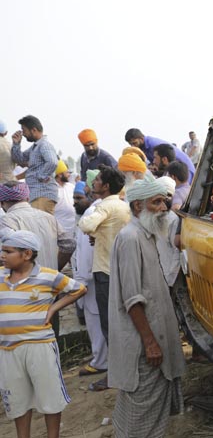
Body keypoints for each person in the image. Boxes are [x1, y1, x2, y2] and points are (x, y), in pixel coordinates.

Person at [109, 178, 185, 438]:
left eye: (164, 201)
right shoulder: (130, 238)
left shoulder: (146, 234)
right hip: (142, 338)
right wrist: (150, 342)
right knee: (142, 396)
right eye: (156, 202)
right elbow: (133, 298)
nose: (164, 207)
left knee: (149, 395)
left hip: (151, 332)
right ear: (138, 205)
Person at [0, 231, 85, 438]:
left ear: (27, 255)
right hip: (7, 348)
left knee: (48, 395)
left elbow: (79, 289)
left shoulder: (48, 277)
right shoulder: (1, 276)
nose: (2, 255)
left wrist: (53, 308)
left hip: (39, 345)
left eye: (8, 251)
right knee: (16, 398)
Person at [78, 165, 131, 391]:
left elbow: (84, 224)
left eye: (98, 179)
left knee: (109, 325)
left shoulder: (104, 206)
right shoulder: (123, 205)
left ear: (106, 186)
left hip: (105, 271)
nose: (94, 182)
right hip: (120, 268)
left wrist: (92, 231)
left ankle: (115, 374)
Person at [0, 182, 74, 271]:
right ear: (27, 198)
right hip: (50, 279)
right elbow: (69, 244)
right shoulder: (49, 218)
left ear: (2, 202)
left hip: (22, 282)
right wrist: (56, 268)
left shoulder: (5, 221)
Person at [73, 182, 107, 376]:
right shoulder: (107, 208)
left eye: (79, 198)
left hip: (92, 277)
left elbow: (86, 251)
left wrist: (82, 280)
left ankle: (101, 361)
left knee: (95, 318)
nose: (75, 202)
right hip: (98, 273)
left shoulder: (92, 213)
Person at [9, 115, 59, 214]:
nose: (23, 134)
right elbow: (19, 159)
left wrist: (41, 176)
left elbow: (52, 161)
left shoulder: (44, 145)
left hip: (43, 194)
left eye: (24, 130)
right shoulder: (35, 147)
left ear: (33, 130)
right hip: (36, 195)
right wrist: (16, 144)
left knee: (40, 227)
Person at [154, 176, 181, 288]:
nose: (165, 199)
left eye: (169, 196)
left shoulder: (173, 220)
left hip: (168, 279)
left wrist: (170, 281)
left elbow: (177, 253)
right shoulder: (149, 217)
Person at [124, 128, 192, 168]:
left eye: (134, 143)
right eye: (131, 144)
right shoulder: (143, 148)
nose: (133, 146)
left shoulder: (153, 145)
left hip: (184, 167)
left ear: (141, 139)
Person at [54, 160, 76, 240]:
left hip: (72, 230)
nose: (69, 175)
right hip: (58, 232)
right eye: (67, 173)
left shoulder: (72, 187)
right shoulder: (51, 189)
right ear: (59, 175)